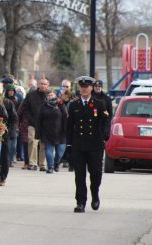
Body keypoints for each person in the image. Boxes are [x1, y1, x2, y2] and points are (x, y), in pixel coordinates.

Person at [66, 76, 110, 213]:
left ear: (91, 88)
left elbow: (106, 121)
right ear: (79, 88)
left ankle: (95, 194)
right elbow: (69, 126)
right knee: (79, 175)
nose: (84, 89)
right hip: (79, 145)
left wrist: (105, 134)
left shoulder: (99, 104)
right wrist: (68, 145)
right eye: (82, 87)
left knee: (96, 173)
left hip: (95, 145)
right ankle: (80, 202)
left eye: (86, 87)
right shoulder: (74, 105)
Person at [36, 89, 67, 173]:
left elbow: (65, 116)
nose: (50, 97)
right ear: (46, 97)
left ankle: (56, 163)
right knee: (48, 150)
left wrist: (66, 130)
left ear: (55, 96)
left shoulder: (60, 105)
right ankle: (50, 167)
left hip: (60, 132)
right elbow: (38, 120)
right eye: (48, 95)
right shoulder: (43, 106)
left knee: (60, 152)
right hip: (47, 132)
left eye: (52, 95)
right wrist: (38, 134)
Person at [22, 78, 49, 171]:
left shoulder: (50, 96)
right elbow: (25, 108)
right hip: (33, 123)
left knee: (43, 145)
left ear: (47, 85)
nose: (43, 86)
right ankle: (32, 163)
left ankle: (42, 164)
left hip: (45, 124)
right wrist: (30, 118)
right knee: (32, 142)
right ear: (38, 84)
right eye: (41, 84)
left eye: (45, 84)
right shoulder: (31, 95)